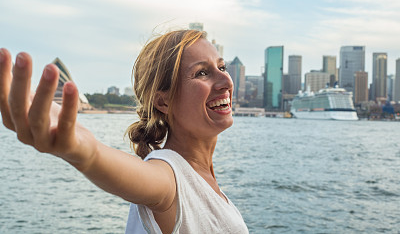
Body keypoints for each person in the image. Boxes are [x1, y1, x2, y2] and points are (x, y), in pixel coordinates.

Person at [0, 29, 249, 233]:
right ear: (163, 102)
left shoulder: (200, 180)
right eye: (202, 73)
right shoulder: (168, 178)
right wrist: (82, 150)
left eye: (222, 67)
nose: (226, 81)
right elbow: (104, 160)